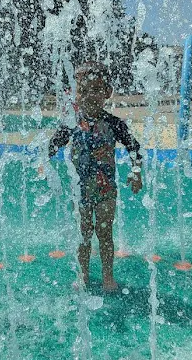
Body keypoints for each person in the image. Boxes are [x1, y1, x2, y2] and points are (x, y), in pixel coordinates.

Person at [47, 62, 142, 291]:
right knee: (83, 235)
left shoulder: (113, 124)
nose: (90, 95)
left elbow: (135, 149)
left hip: (105, 190)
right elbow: (52, 146)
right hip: (80, 190)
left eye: (97, 89)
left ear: (107, 92)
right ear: (76, 93)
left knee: (105, 233)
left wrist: (136, 173)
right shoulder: (71, 122)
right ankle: (84, 275)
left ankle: (108, 276)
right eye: (84, 90)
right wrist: (44, 164)